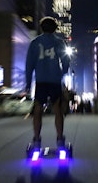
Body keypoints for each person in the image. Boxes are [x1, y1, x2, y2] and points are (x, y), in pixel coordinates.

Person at [25, 16, 70, 149]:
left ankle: (37, 139)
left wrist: (28, 84)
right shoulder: (59, 42)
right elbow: (66, 60)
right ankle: (60, 138)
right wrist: (63, 72)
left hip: (41, 81)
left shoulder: (34, 43)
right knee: (57, 110)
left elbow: (29, 65)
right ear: (55, 29)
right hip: (55, 81)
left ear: (41, 28)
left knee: (38, 110)